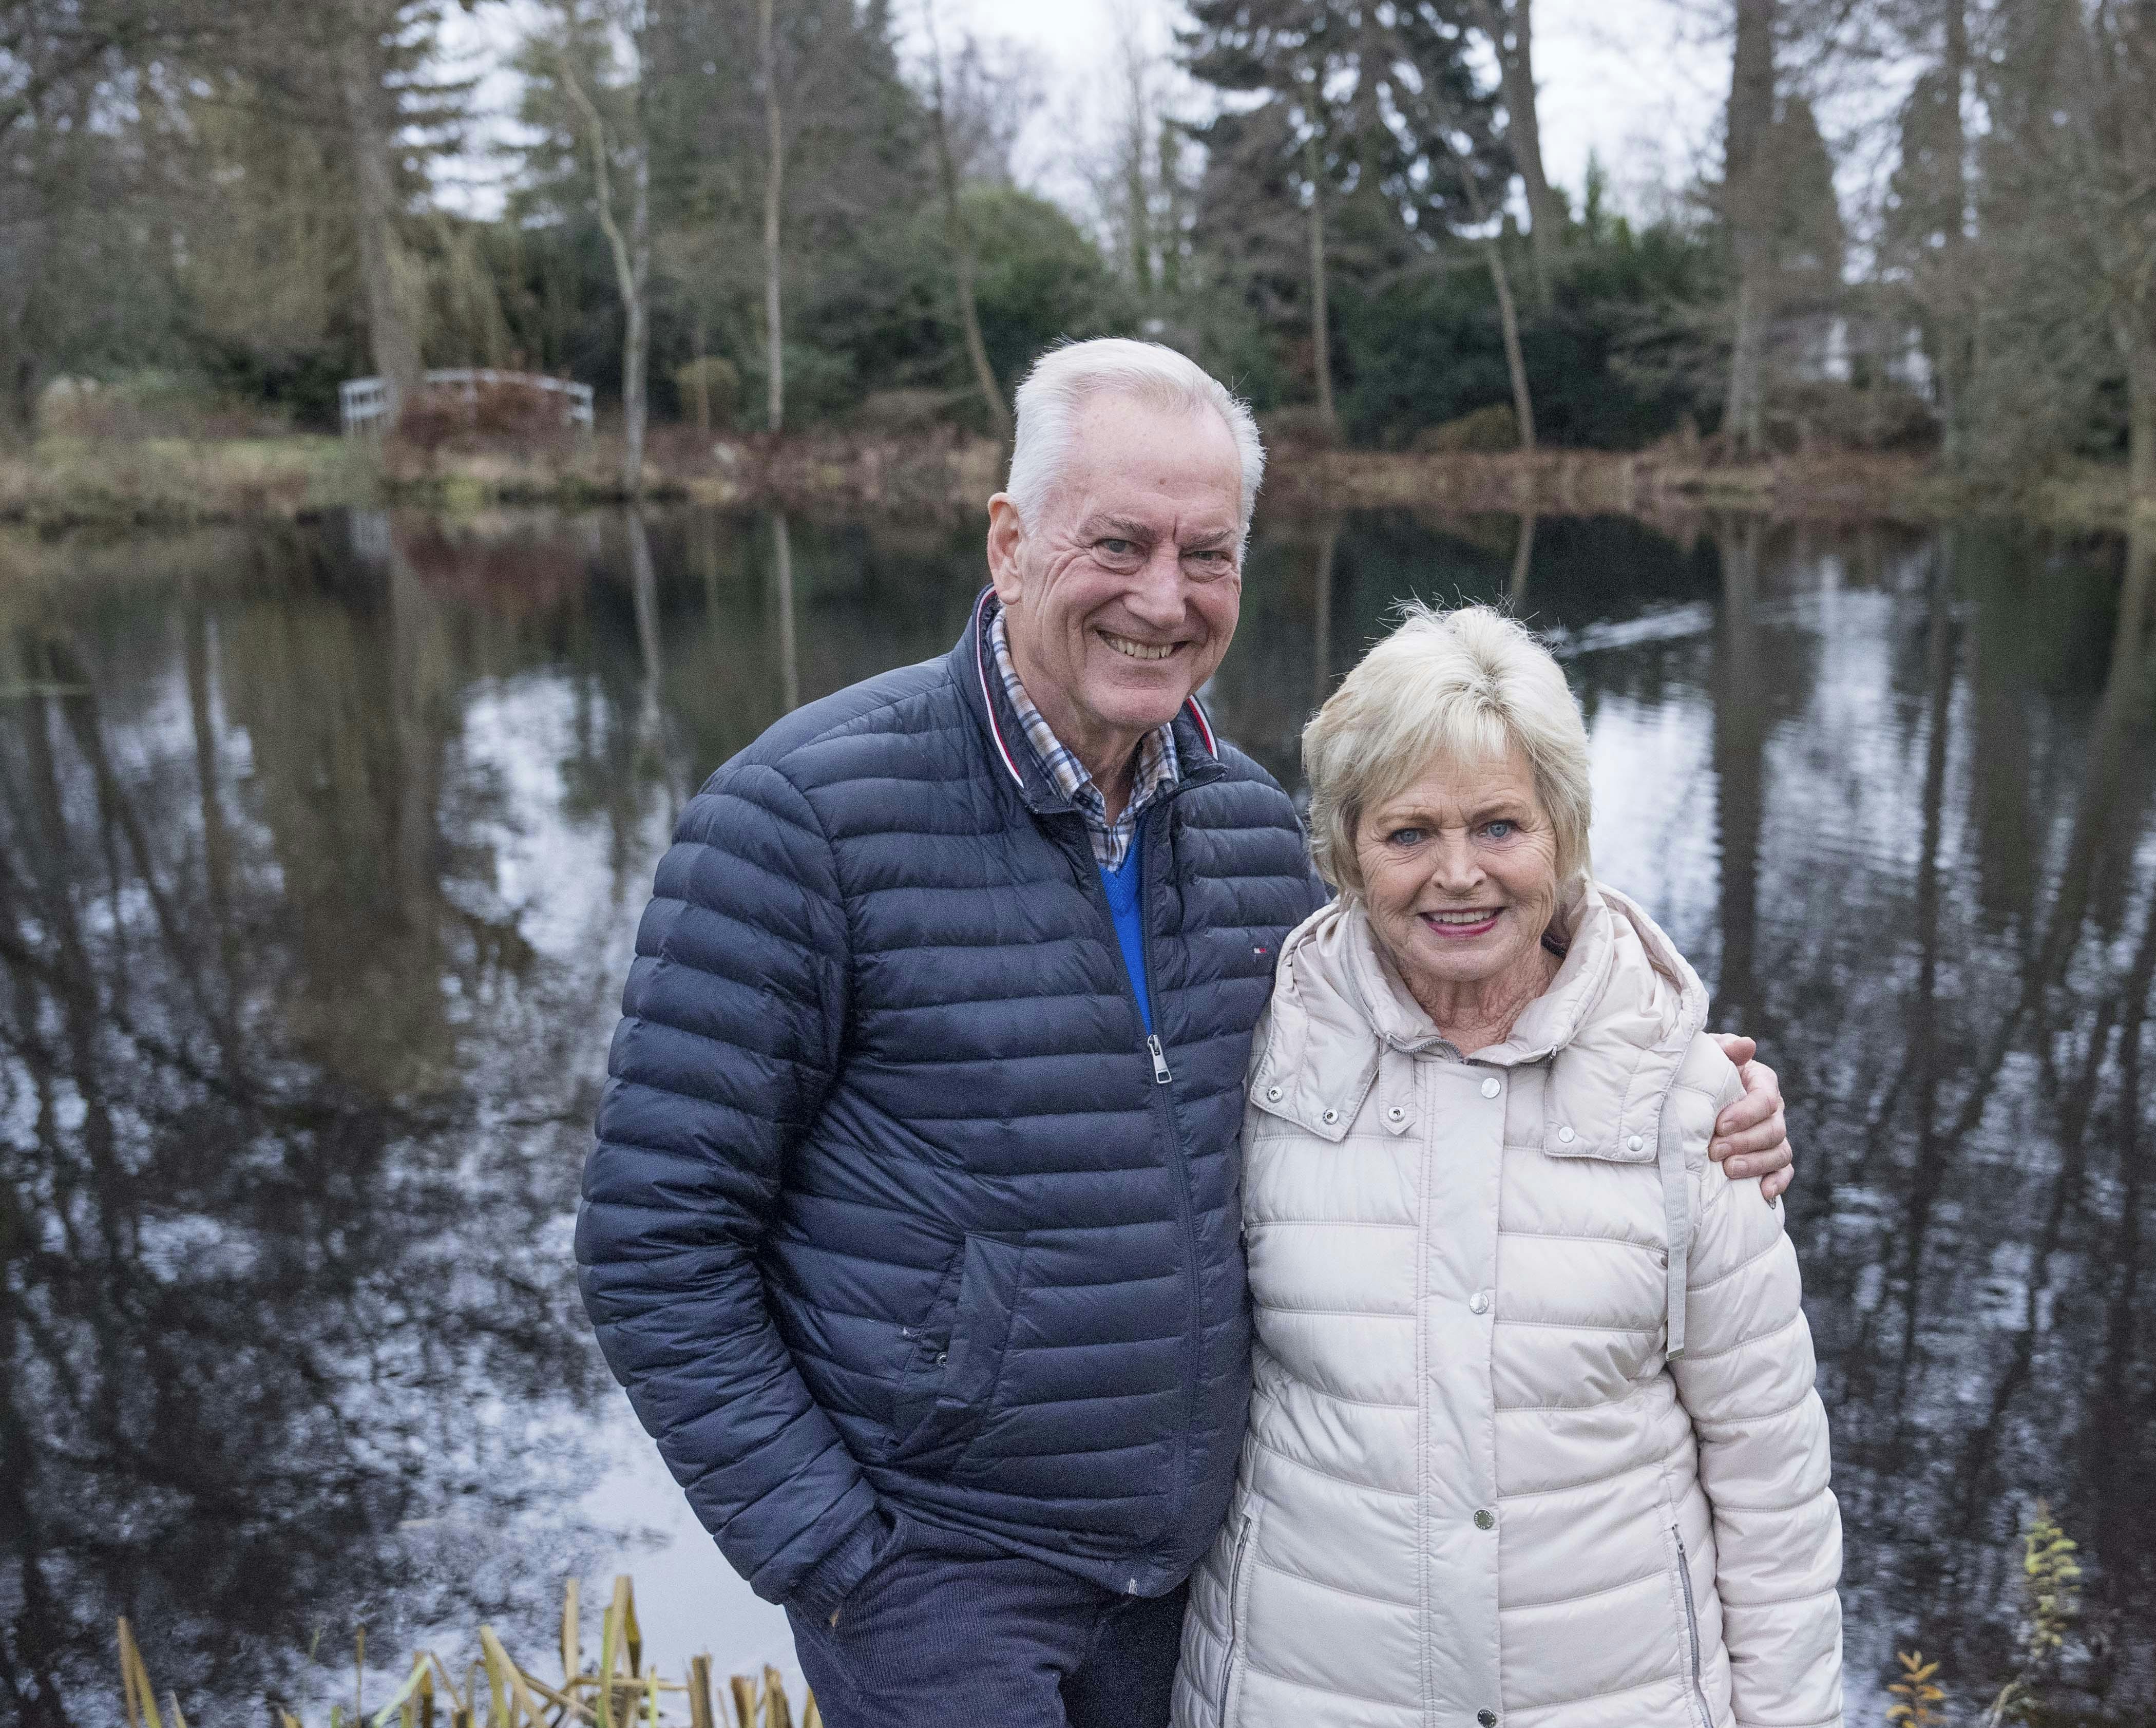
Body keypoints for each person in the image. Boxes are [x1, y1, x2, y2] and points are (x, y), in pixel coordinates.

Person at [575, 339, 1795, 1728]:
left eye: (1207, 553)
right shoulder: (801, 820)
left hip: (1195, 1577)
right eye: (1121, 543)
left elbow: (1445, 1015)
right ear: (1012, 539)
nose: (1163, 597)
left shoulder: (1247, 824)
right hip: (943, 1580)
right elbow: (654, 1237)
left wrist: (1676, 1075)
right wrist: (836, 1556)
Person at [1170, 605, 1843, 1728]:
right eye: (1407, 834)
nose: (1457, 877)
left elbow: (1773, 1488)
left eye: (1499, 827)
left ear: (1566, 835)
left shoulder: (1691, 1106)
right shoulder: (1255, 1059)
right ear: (1343, 851)